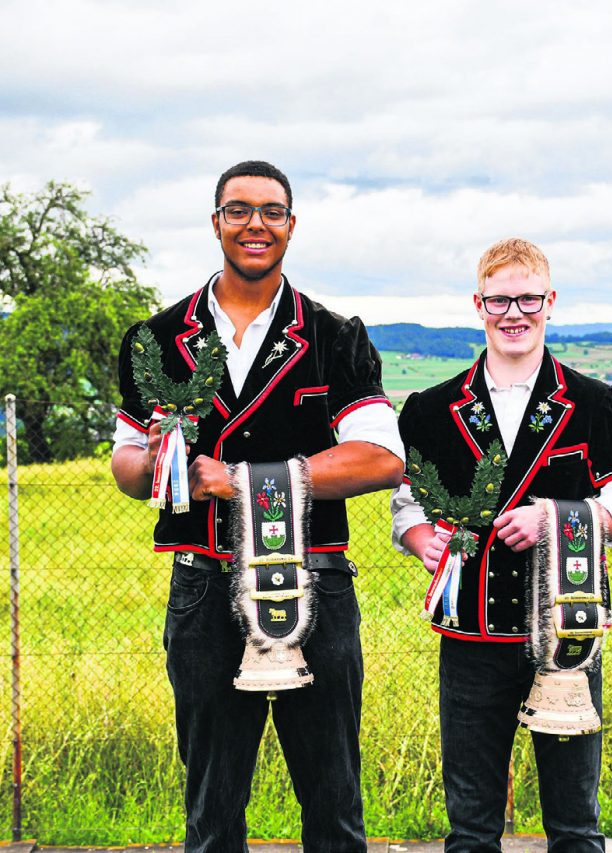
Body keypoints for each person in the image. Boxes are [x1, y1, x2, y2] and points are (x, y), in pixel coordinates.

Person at [112, 160, 404, 853]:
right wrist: (159, 461)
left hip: (318, 585)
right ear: (215, 222)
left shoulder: (336, 336)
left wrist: (239, 479)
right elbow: (124, 463)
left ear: (291, 226)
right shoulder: (155, 339)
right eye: (239, 210)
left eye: (272, 211)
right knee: (212, 812)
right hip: (202, 584)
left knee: (333, 804)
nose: (256, 224)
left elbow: (381, 458)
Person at [391, 238, 612, 853]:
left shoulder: (597, 405)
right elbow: (407, 504)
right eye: (499, 300)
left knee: (574, 826)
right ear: (477, 305)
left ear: (550, 301)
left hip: (565, 635)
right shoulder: (431, 410)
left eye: (527, 299)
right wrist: (420, 536)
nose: (514, 313)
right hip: (470, 637)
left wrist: (553, 519)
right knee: (472, 827)